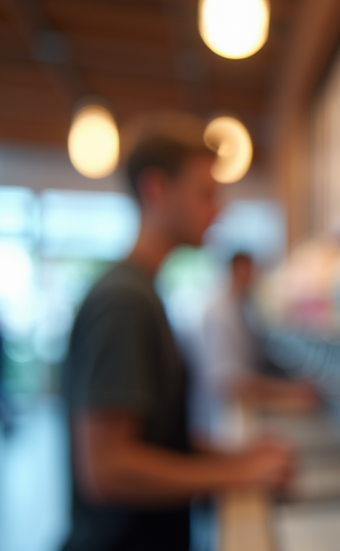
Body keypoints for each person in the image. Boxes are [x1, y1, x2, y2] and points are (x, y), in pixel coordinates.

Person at [60, 116, 294, 551]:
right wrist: (236, 475)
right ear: (157, 190)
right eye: (206, 194)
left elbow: (160, 438)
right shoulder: (124, 301)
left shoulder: (145, 292)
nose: (218, 210)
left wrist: (238, 457)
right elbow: (107, 469)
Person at [191, 252, 316, 449]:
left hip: (238, 414)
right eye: (249, 270)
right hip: (222, 421)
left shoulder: (240, 307)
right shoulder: (220, 313)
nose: (253, 277)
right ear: (235, 270)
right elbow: (229, 381)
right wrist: (286, 395)